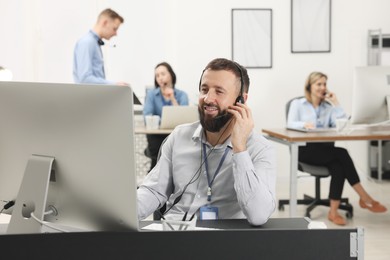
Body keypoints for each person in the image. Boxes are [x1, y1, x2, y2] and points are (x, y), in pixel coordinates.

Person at [137, 58, 276, 225]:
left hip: (225, 241)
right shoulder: (179, 136)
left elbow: (259, 215)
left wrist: (239, 148)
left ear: (241, 101)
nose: (208, 99)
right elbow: (154, 191)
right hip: (176, 234)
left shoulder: (260, 149)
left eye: (219, 91)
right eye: (204, 89)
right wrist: (122, 214)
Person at [287, 71, 387, 225]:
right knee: (342, 153)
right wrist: (303, 125)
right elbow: (290, 123)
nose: (322, 87)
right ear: (309, 86)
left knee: (338, 166)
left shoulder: (328, 107)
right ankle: (365, 197)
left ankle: (333, 212)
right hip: (304, 150)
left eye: (324, 84)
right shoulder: (298, 104)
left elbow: (343, 125)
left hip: (326, 151)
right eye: (318, 84)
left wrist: (337, 103)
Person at [143, 62, 189, 171]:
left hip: (176, 134)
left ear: (171, 75)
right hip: (157, 137)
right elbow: (147, 117)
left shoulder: (182, 95)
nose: (160, 78)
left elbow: (183, 118)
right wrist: (161, 123)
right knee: (158, 150)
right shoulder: (151, 95)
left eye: (163, 74)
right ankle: (155, 178)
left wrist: (172, 98)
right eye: (157, 75)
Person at [73, 8, 128, 86]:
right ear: (105, 23)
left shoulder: (94, 43)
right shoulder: (87, 42)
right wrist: (114, 84)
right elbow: (85, 79)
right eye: (114, 29)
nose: (116, 34)